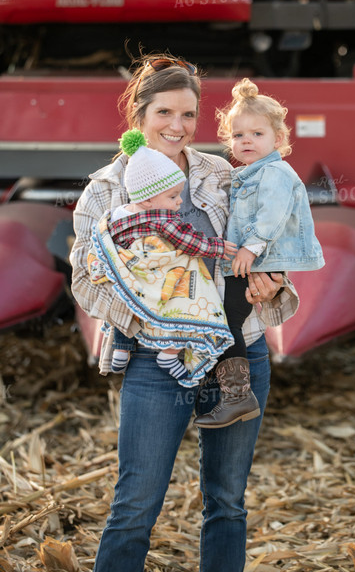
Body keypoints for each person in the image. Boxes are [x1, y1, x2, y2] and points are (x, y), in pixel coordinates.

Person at [69, 53, 299, 572]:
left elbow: (273, 231)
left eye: (189, 115)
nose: (178, 126)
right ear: (140, 116)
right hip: (157, 361)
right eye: (164, 114)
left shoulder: (224, 173)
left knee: (227, 502)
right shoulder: (106, 187)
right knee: (135, 505)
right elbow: (85, 277)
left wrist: (272, 275)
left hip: (238, 352)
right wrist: (155, 319)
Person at [194, 78, 324, 427]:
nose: (246, 141)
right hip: (251, 261)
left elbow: (273, 213)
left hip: (259, 260)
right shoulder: (249, 173)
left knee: (224, 320)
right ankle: (235, 394)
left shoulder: (275, 173)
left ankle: (237, 396)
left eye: (257, 134)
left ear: (278, 139)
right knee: (227, 318)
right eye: (238, 136)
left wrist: (250, 248)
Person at [88, 127, 238, 389]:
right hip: (158, 272)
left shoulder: (118, 214)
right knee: (176, 306)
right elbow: (188, 242)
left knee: (130, 300)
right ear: (147, 200)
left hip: (131, 271)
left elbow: (103, 241)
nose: (179, 202)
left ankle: (121, 349)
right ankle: (170, 355)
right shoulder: (162, 219)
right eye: (172, 196)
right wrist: (217, 248)